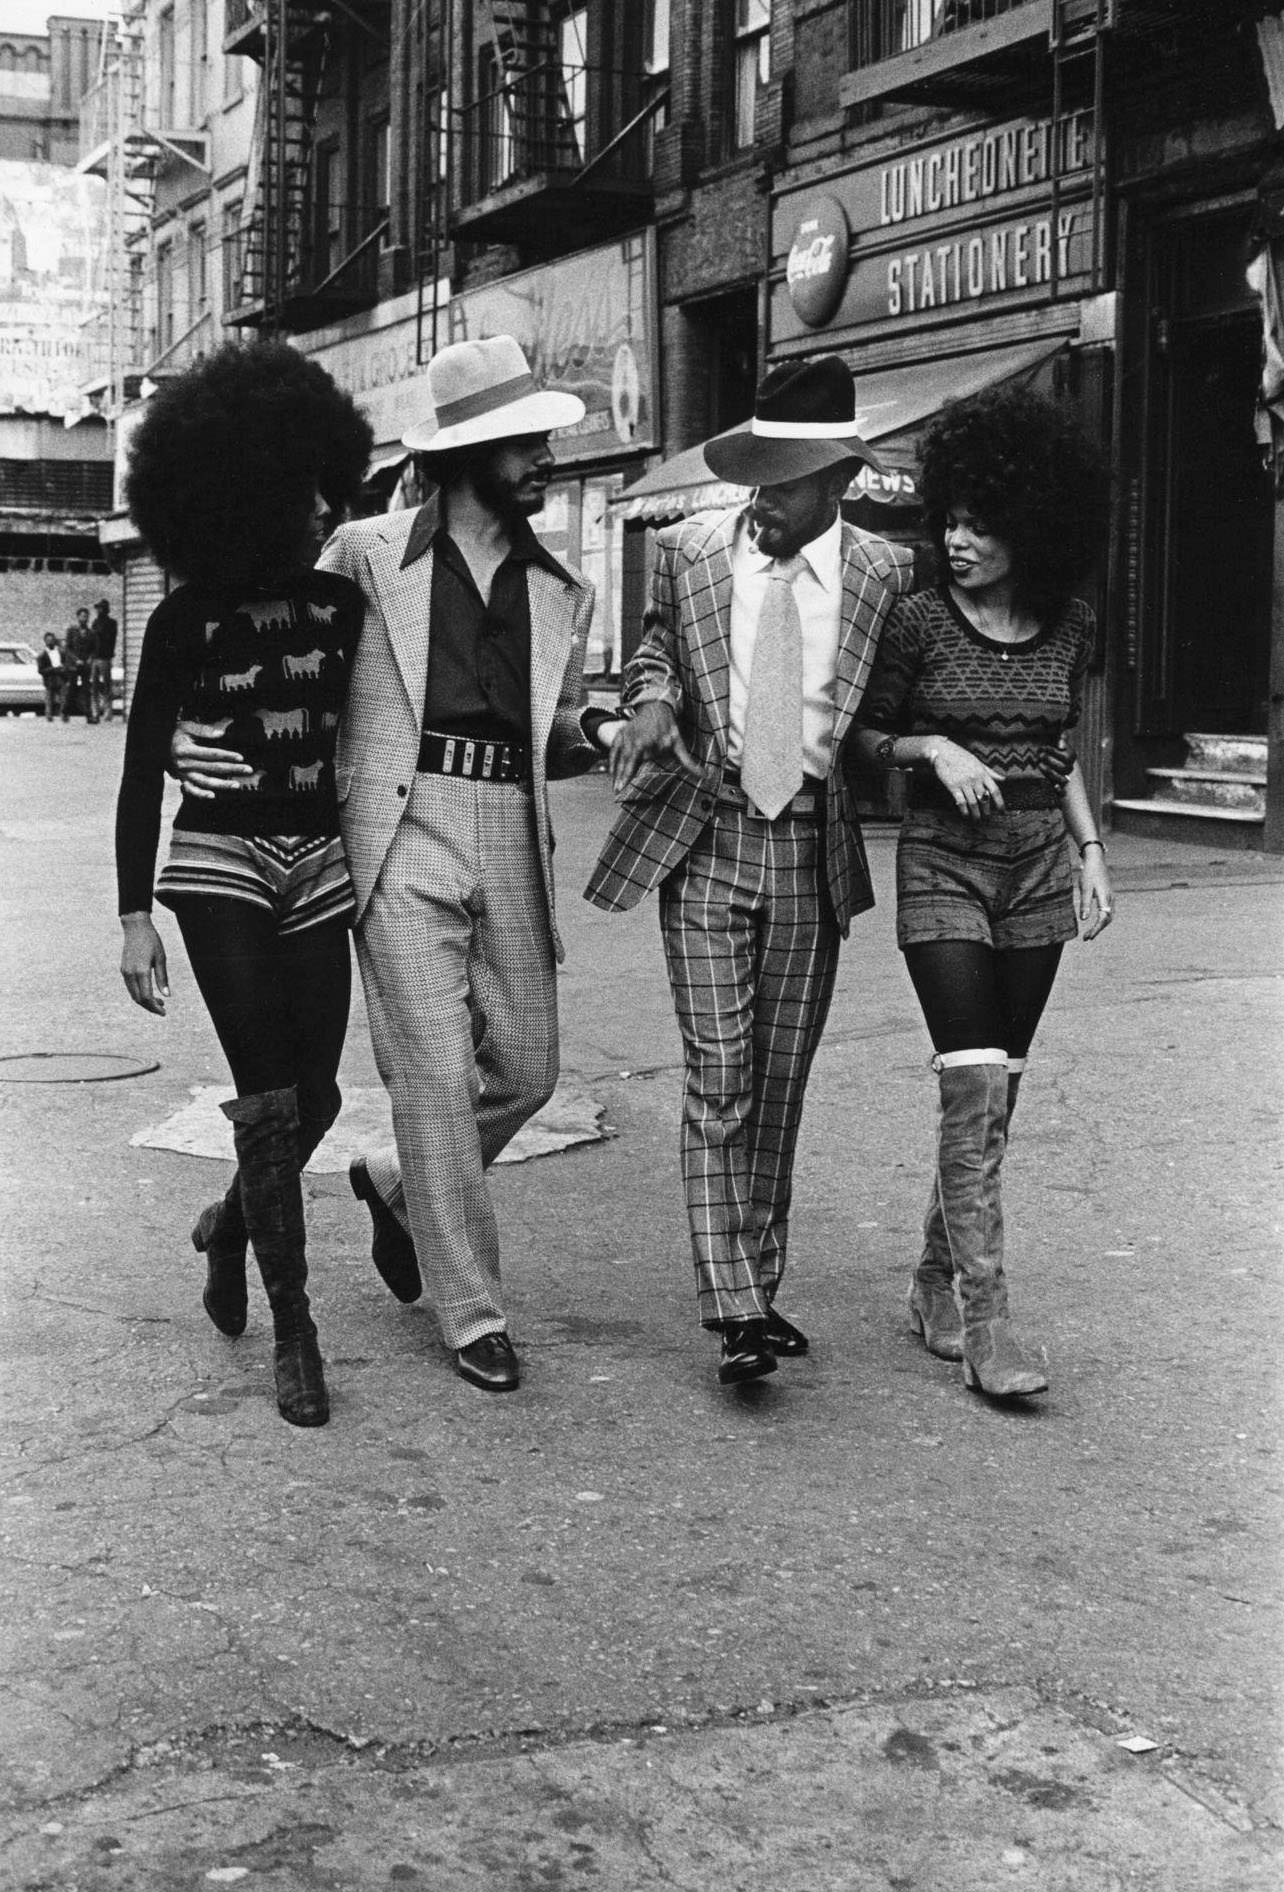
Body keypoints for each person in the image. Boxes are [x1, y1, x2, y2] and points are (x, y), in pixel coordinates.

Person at [171, 335, 610, 1395]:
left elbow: (547, 730)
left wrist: (600, 724)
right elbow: (267, 628)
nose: (548, 455)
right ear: (472, 451)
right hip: (395, 827)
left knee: (530, 1067)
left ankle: (395, 1187)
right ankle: (473, 1311)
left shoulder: (564, 588)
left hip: (508, 818)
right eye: (529, 440)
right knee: (433, 1073)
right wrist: (197, 725)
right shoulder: (366, 553)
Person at [585, 356, 915, 1388]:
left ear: (840, 483)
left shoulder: (884, 576)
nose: (763, 499)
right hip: (708, 834)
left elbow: (903, 699)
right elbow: (655, 657)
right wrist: (651, 702)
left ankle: (759, 1291)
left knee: (778, 1082)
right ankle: (731, 1302)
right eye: (756, 477)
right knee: (720, 1069)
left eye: (785, 480)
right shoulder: (686, 553)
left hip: (812, 845)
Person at [115, 341, 373, 1429]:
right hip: (216, 864)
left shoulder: (341, 608)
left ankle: (228, 1223)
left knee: (318, 1096)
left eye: (323, 486)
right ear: (244, 494)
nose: (318, 508)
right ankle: (296, 1329)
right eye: (296, 489)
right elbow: (138, 773)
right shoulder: (180, 622)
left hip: (318, 860)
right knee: (269, 1100)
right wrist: (134, 915)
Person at [849, 382, 1113, 1400]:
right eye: (950, 519)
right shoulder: (918, 622)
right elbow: (865, 737)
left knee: (997, 1086)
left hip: (1040, 863)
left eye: (980, 526)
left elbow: (1057, 749)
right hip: (943, 863)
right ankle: (988, 1320)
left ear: (1032, 529)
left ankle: (933, 1276)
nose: (956, 539)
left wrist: (1092, 850)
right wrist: (931, 745)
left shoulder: (1069, 625)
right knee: (971, 1078)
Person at [62, 607, 96, 722]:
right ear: (78, 617)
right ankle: (65, 712)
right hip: (73, 665)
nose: (84, 618)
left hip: (85, 665)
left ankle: (89, 715)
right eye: (82, 616)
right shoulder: (72, 631)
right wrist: (75, 660)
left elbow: (94, 649)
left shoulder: (91, 633)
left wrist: (90, 659)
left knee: (86, 690)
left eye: (86, 616)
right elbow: (67, 648)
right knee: (72, 688)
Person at [91, 599, 118, 721]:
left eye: (100, 608)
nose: (98, 610)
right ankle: (95, 712)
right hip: (95, 658)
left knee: (107, 686)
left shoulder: (111, 623)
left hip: (105, 658)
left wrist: (97, 633)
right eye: (97, 608)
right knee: (95, 686)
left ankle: (108, 713)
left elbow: (108, 638)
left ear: (106, 609)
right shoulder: (95, 622)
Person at [37, 631, 66, 721]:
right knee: (49, 698)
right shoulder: (42, 655)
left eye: (52, 640)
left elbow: (66, 663)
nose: (50, 642)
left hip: (61, 677)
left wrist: (63, 669)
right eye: (48, 640)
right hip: (49, 679)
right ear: (45, 641)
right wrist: (53, 669)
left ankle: (63, 715)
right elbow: (41, 670)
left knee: (63, 698)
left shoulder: (61, 652)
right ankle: (49, 715)